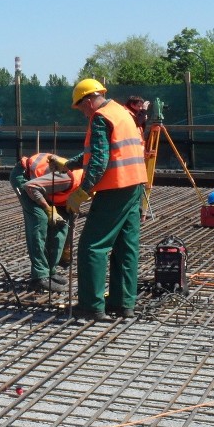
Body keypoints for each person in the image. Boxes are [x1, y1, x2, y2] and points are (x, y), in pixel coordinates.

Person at [49, 79, 148, 321]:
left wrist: (81, 193)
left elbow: (99, 161)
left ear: (90, 100)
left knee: (92, 246)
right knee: (126, 247)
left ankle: (91, 306)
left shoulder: (101, 117)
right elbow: (103, 150)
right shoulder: (121, 113)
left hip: (115, 188)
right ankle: (123, 303)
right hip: (135, 186)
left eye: (81, 107)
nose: (83, 113)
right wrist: (70, 163)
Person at [10, 153, 83, 294]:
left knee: (61, 223)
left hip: (46, 187)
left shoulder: (85, 184)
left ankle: (50, 270)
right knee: (40, 220)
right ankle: (40, 276)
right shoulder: (68, 178)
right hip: (25, 178)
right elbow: (31, 187)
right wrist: (48, 209)